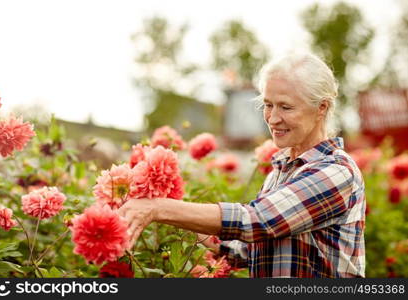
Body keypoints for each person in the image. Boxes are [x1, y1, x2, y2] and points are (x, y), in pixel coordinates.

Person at [118, 52, 366, 278]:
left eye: (286, 107)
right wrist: (175, 214)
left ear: (321, 107)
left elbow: (259, 221)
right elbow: (246, 251)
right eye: (268, 105)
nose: (273, 118)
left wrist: (159, 207)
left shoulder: (335, 171)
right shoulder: (283, 170)